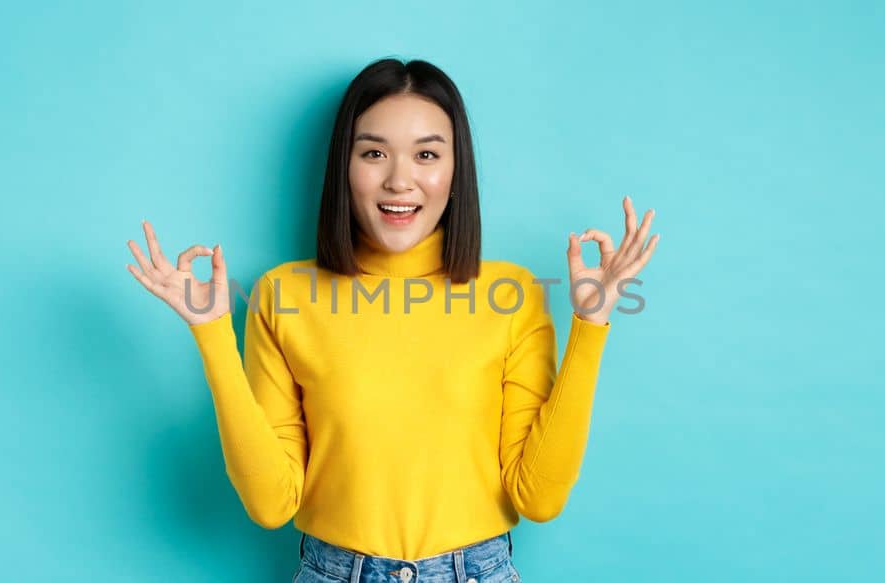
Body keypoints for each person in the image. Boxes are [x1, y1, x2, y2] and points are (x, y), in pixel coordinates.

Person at [127, 58, 659, 583]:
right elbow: (271, 505)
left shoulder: (512, 295)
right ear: (345, 167)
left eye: (426, 154)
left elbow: (538, 497)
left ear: (455, 172)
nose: (399, 180)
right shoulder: (282, 295)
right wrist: (213, 331)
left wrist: (591, 324)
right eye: (375, 153)